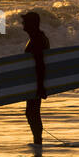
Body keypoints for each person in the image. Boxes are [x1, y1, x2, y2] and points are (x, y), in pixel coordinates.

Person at [21, 11, 49, 146]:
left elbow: (40, 64)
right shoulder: (37, 37)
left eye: (25, 21)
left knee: (32, 112)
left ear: (32, 24)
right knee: (32, 112)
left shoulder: (37, 40)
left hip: (36, 81)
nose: (22, 24)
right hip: (34, 81)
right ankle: (37, 140)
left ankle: (38, 141)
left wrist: (40, 86)